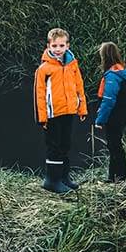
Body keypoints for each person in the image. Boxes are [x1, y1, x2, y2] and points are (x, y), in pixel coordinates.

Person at [33, 27, 87, 193]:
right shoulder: (44, 69)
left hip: (69, 111)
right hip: (53, 114)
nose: (58, 49)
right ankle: (51, 180)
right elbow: (39, 94)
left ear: (68, 46)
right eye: (54, 46)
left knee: (65, 144)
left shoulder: (72, 65)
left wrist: (82, 108)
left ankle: (64, 177)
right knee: (54, 146)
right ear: (48, 46)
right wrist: (42, 118)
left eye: (61, 45)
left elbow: (79, 86)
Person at [93, 41, 126, 182]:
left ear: (105, 56)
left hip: (113, 115)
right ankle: (116, 177)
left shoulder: (112, 75)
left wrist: (100, 119)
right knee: (115, 145)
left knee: (114, 145)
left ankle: (117, 178)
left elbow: (108, 100)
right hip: (120, 113)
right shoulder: (121, 70)